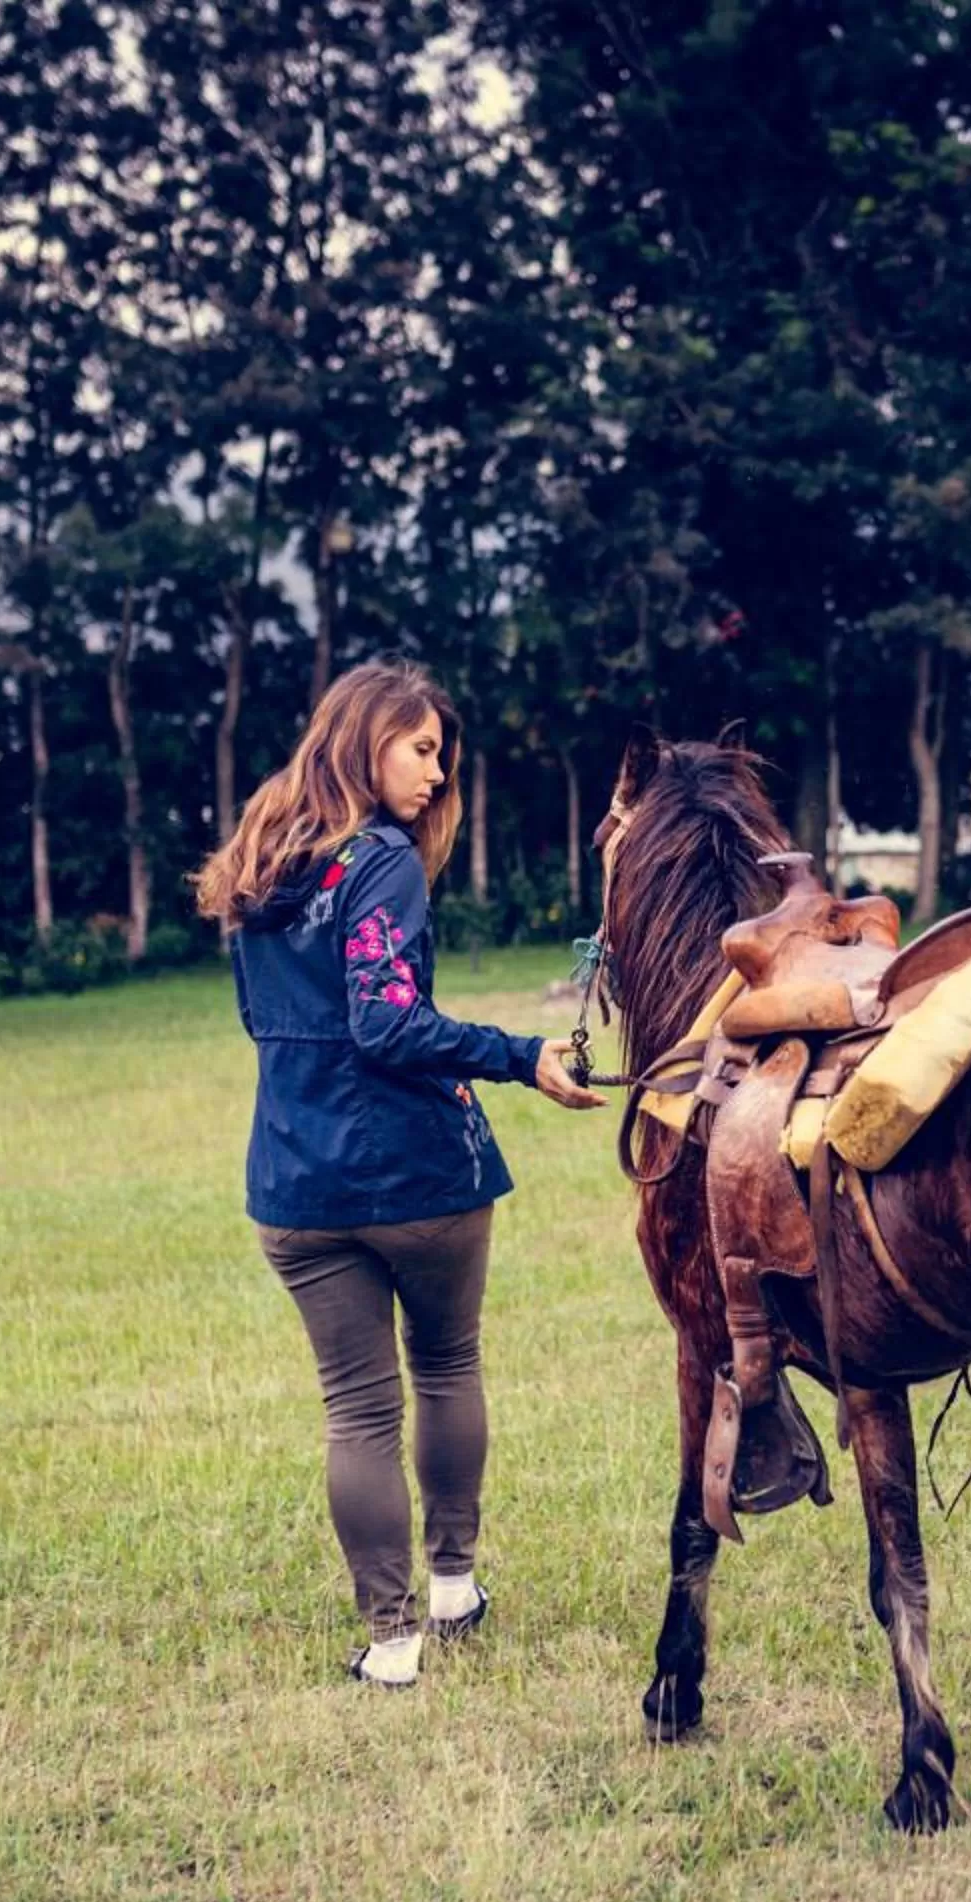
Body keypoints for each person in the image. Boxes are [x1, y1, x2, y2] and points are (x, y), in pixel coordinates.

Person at [194, 659, 604, 1688]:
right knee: (446, 1367)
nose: (435, 772)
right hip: (419, 1176)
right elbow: (386, 1019)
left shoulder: (258, 861)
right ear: (364, 735)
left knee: (357, 1408)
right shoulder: (380, 859)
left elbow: (266, 1019)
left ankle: (391, 1639)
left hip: (295, 1180)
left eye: (442, 755)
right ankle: (454, 1583)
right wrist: (521, 1056)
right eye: (421, 747)